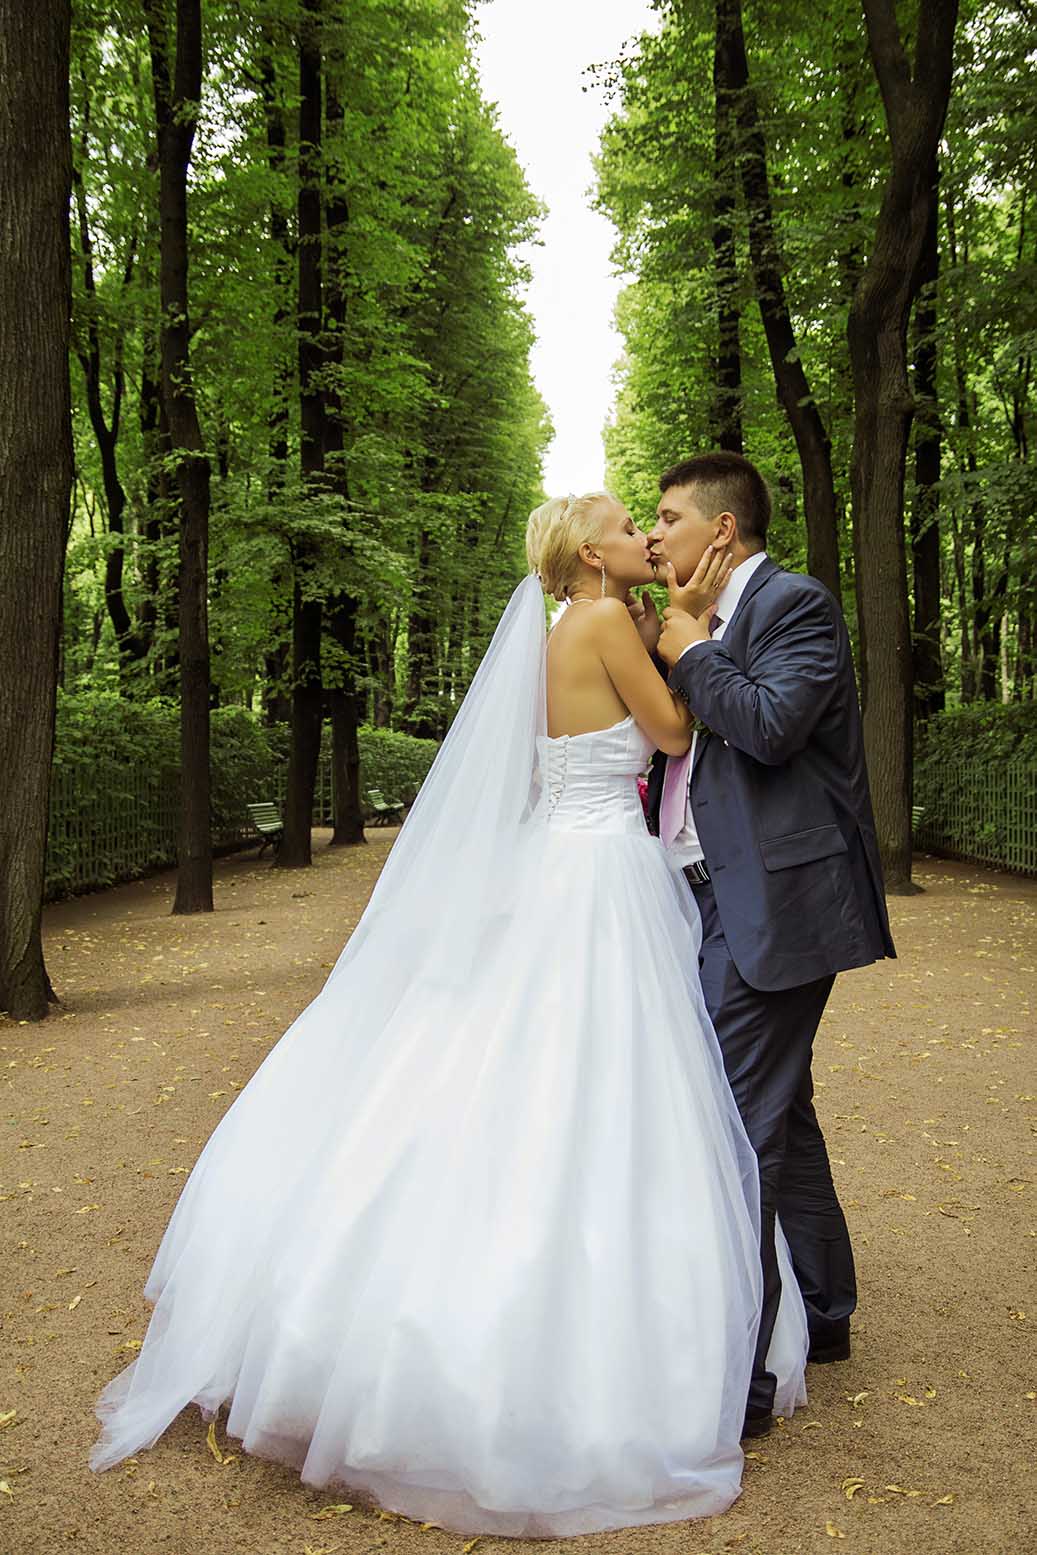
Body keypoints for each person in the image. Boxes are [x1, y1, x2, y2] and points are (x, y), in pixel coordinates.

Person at [89, 489, 807, 1537]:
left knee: (529, 1072)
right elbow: (669, 730)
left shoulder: (568, 628)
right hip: (603, 877)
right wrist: (687, 632)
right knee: (605, 1080)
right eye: (624, 527)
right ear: (588, 554)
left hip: (565, 857)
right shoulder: (608, 623)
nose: (641, 538)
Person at [641, 451, 896, 1439]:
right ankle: (823, 1313)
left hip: (774, 905)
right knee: (781, 1111)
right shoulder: (693, 618)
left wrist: (689, 647)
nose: (652, 532)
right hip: (708, 901)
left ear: (720, 529)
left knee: (732, 1127)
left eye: (667, 516)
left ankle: (738, 1384)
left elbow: (773, 724)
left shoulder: (794, 604)